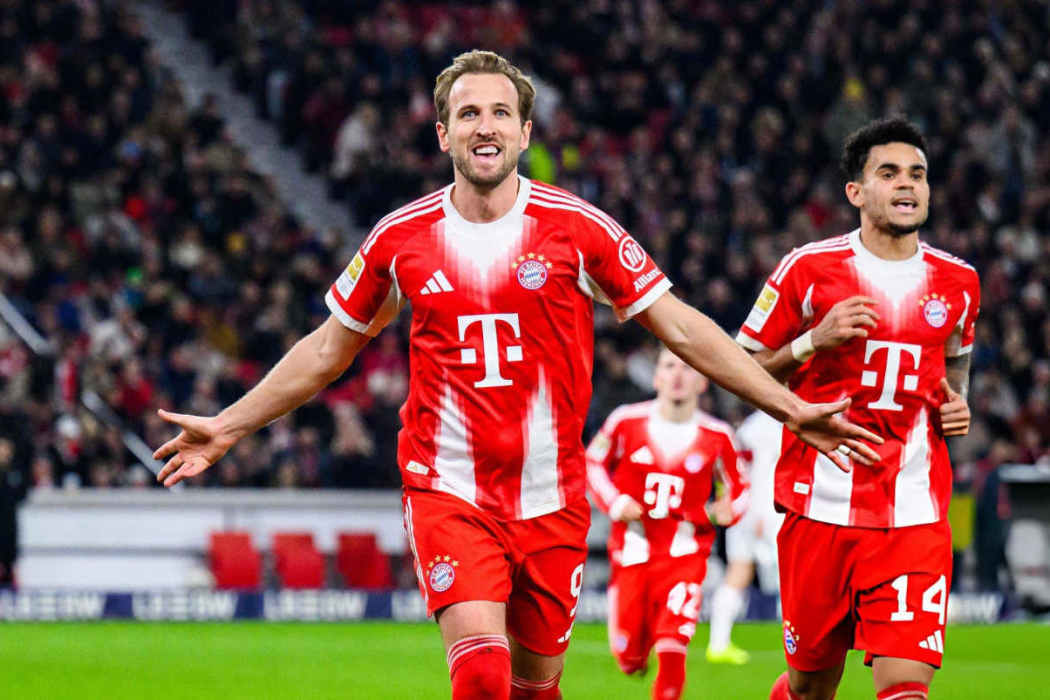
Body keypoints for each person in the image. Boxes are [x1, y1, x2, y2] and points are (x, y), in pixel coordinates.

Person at [153, 50, 881, 700]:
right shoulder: (400, 239)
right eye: (468, 113)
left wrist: (787, 406)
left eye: (500, 112)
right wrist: (228, 425)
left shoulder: (580, 229)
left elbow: (682, 327)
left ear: (526, 132)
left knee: (535, 687)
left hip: (551, 501)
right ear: (443, 134)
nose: (485, 125)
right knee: (479, 675)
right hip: (448, 491)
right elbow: (325, 351)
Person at [735, 117, 980, 700]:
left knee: (906, 689)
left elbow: (957, 362)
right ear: (856, 192)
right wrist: (810, 342)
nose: (907, 184)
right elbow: (740, 371)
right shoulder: (807, 268)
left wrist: (958, 403)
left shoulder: (959, 282)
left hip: (914, 513)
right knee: (809, 686)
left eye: (917, 174)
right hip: (819, 509)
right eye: (889, 173)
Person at [587, 347, 747, 700]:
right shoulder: (625, 421)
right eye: (669, 366)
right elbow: (593, 463)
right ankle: (631, 648)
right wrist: (616, 502)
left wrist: (730, 509)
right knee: (629, 659)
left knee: (673, 648)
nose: (677, 374)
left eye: (687, 368)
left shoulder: (718, 435)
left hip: (686, 555)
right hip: (632, 552)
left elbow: (741, 487)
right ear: (656, 376)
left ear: (702, 381)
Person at [706, 409, 784, 665]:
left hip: (741, 509)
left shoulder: (749, 426)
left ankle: (718, 644)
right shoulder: (769, 426)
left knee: (738, 574)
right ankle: (798, 647)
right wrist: (760, 514)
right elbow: (761, 472)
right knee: (789, 578)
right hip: (764, 511)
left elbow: (729, 471)